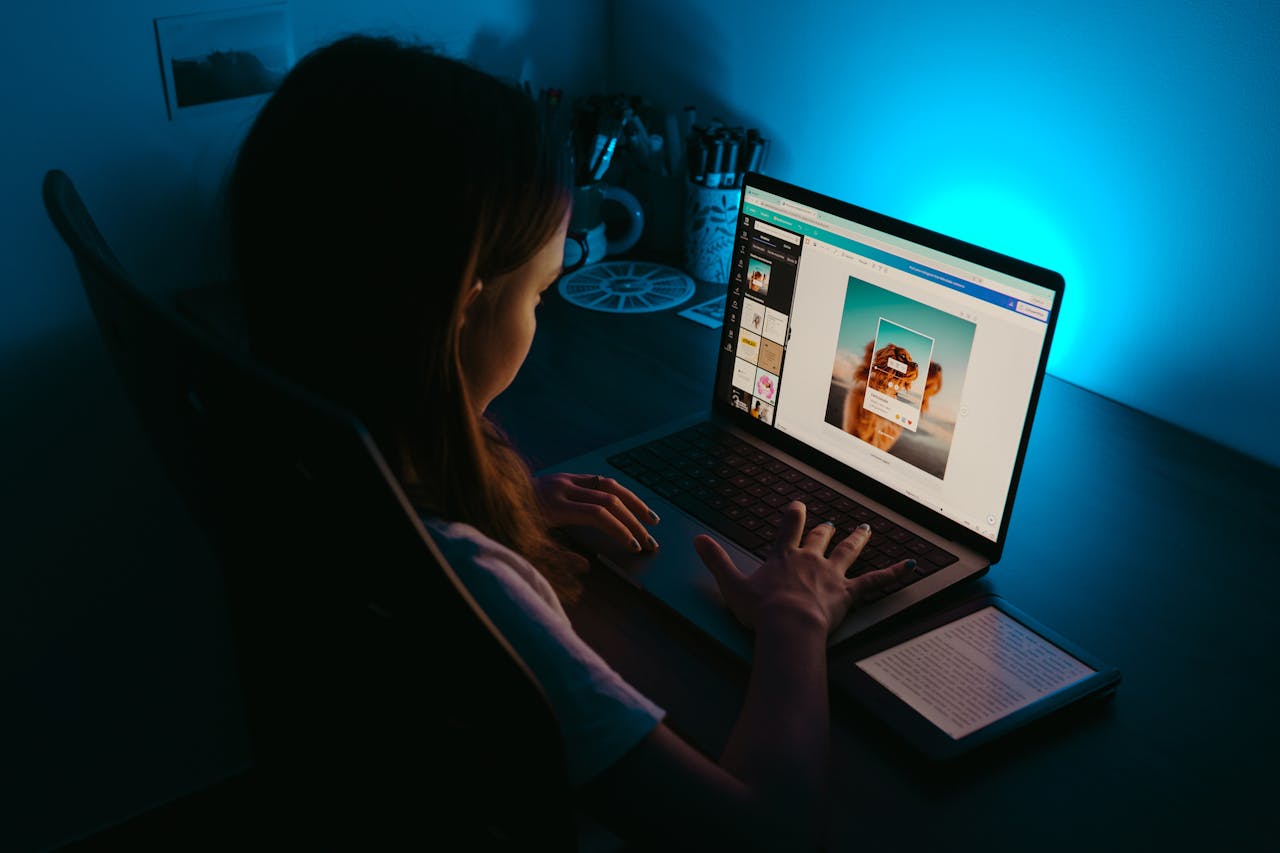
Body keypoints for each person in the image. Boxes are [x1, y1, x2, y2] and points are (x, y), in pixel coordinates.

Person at [228, 35, 915, 851]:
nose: (539, 319)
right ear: (462, 307)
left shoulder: (296, 446)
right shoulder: (468, 583)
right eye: (540, 295)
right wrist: (796, 616)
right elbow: (763, 833)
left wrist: (507, 502)